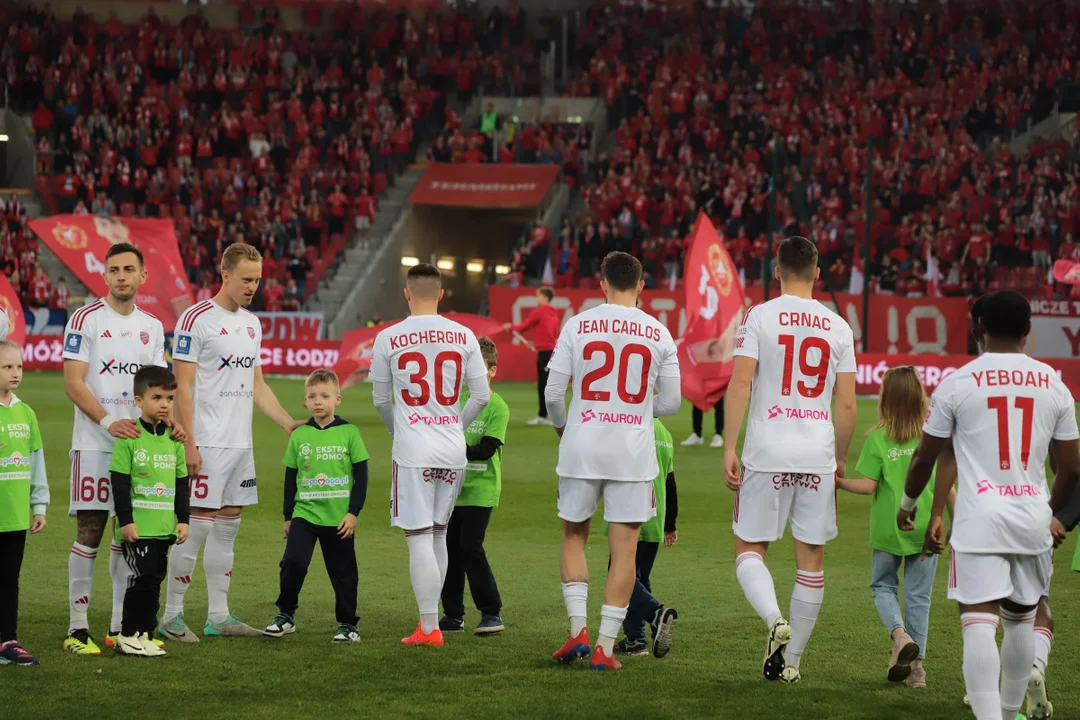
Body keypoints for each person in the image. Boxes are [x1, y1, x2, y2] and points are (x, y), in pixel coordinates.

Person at [899, 290, 1080, 720]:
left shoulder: (959, 382)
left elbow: (927, 455)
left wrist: (910, 503)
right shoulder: (1054, 383)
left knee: (978, 622)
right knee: (1021, 619)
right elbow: (1072, 466)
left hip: (980, 519)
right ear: (1028, 331)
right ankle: (1009, 709)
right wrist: (1050, 512)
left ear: (979, 327)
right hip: (1032, 517)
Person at [723, 235, 857, 683]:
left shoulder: (759, 316)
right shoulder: (838, 326)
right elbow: (848, 405)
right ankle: (793, 661)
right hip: (816, 452)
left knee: (749, 549)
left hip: (767, 449)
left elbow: (741, 383)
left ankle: (773, 619)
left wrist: (729, 445)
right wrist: (838, 457)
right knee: (811, 561)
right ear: (818, 274)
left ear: (776, 271)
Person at [544, 251, 681, 671]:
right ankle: (605, 648)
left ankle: (577, 633)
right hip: (632, 452)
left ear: (601, 284)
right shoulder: (658, 332)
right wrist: (637, 406)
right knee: (625, 553)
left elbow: (552, 395)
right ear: (641, 286)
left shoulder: (577, 324)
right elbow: (672, 403)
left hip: (583, 444)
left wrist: (567, 431)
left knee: (574, 537)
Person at [162, 242, 301, 642]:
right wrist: (188, 443)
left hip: (240, 445)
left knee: (228, 529)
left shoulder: (252, 324)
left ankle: (218, 616)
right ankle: (171, 616)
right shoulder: (196, 319)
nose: (253, 286)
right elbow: (181, 387)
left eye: (257, 280)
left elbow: (256, 385)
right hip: (206, 443)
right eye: (246, 279)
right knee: (197, 529)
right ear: (224, 275)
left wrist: (286, 422)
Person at [61, 242, 176, 656]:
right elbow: (74, 382)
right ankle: (77, 629)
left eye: (129, 269)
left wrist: (167, 421)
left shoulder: (152, 326)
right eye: (114, 270)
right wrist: (110, 423)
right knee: (90, 530)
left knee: (126, 535)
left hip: (137, 447)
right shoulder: (85, 319)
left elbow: (154, 387)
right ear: (105, 276)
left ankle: (117, 625)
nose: (121, 275)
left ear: (142, 276)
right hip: (94, 443)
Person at [370, 263, 491, 647]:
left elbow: (380, 400)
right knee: (438, 535)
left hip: (413, 449)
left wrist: (397, 429)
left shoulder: (388, 337)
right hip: (452, 449)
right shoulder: (464, 335)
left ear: (406, 293)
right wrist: (455, 423)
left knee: (420, 537)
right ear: (441, 294)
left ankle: (428, 627)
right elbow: (483, 395)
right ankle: (431, 623)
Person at [836, 366, 955, 688]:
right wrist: (954, 520)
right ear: (920, 396)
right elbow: (950, 484)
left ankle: (900, 637)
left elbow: (867, 486)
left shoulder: (878, 438)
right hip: (928, 528)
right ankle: (917, 671)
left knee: (883, 587)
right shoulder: (933, 436)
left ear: (885, 399)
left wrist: (837, 482)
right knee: (919, 598)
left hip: (889, 529)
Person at [263, 369, 369, 643]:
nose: (318, 401)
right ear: (305, 403)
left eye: (324, 396)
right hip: (305, 515)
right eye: (312, 396)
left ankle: (348, 625)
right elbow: (290, 479)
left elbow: (362, 476)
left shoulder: (349, 432)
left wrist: (352, 512)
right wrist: (288, 516)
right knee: (293, 564)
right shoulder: (300, 435)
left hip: (338, 519)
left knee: (343, 574)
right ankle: (286, 615)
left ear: (338, 399)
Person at [110, 366, 190, 657]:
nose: (164, 404)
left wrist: (183, 520)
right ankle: (128, 634)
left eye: (169, 398)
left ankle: (145, 633)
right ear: (139, 400)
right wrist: (126, 522)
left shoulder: (173, 439)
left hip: (163, 526)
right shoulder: (129, 436)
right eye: (157, 397)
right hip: (139, 527)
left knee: (155, 578)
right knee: (141, 579)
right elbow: (119, 483)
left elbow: (182, 483)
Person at [439, 336, 508, 636]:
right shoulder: (457, 401)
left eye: (481, 369)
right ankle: (453, 615)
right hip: (453, 489)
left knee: (470, 547)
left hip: (481, 489)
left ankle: (491, 611)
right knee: (450, 549)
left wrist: (451, 445)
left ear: (492, 371)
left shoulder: (497, 407)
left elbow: (486, 449)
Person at [609, 418, 679, 659]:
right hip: (656, 517)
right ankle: (635, 640)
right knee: (638, 577)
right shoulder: (665, 433)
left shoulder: (631, 427)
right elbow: (670, 482)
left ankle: (656, 614)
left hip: (631, 514)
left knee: (620, 574)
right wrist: (670, 524)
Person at [0, 341, 48, 666]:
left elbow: (37, 462)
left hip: (15, 515)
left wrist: (40, 505)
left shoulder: (26, 412)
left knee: (9, 579)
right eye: (7, 367)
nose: (16, 373)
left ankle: (8, 641)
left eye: (18, 366)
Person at [503, 287, 559, 426]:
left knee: (544, 385)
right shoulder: (554, 314)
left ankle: (544, 416)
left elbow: (523, 327)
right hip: (551, 352)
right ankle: (545, 415)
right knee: (547, 384)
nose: (536, 299)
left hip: (545, 353)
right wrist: (536, 344)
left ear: (545, 298)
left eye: (538, 296)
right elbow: (550, 335)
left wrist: (510, 326)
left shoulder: (540, 312)